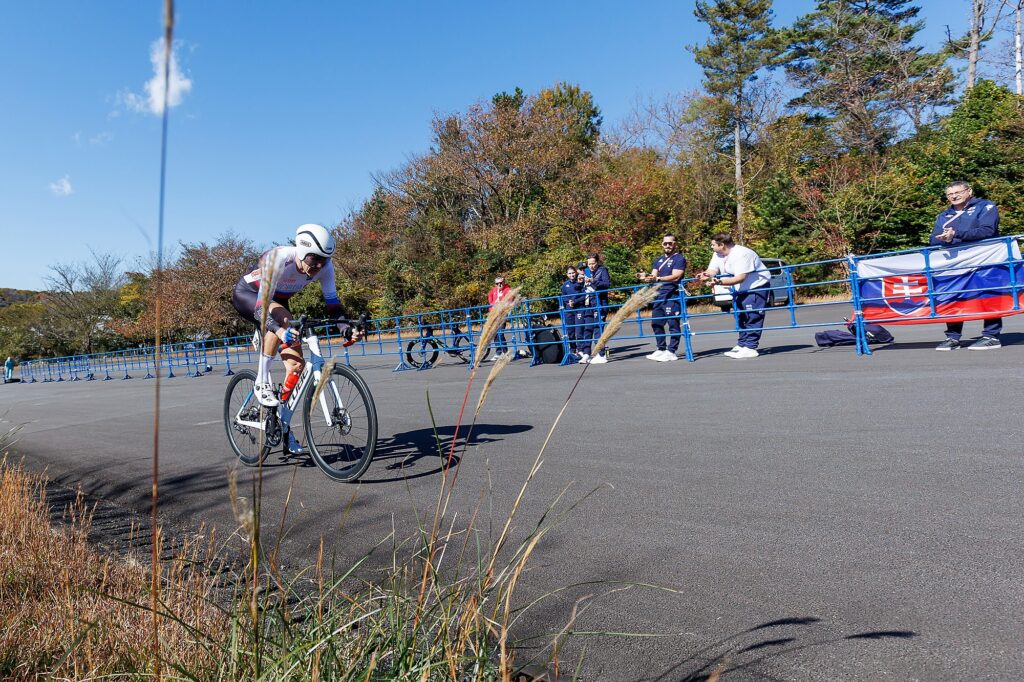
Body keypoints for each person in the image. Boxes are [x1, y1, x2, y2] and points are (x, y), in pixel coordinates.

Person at [232, 223, 357, 454]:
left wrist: (346, 328)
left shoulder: (325, 267)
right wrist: (279, 331)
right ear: (301, 251)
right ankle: (261, 380)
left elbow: (333, 304)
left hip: (278, 301)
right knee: (284, 321)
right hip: (250, 295)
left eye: (324, 261)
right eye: (313, 259)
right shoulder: (278, 258)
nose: (318, 266)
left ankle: (282, 427)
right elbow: (261, 309)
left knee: (297, 367)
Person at [930, 180, 1002, 351]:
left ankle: (991, 336)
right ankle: (953, 337)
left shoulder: (985, 206)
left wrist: (956, 235)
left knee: (987, 295)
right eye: (950, 194)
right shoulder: (944, 216)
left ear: (969, 191)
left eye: (958, 192)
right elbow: (933, 239)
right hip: (956, 263)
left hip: (984, 259)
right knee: (953, 297)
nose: (954, 196)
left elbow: (987, 231)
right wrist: (946, 239)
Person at [696, 233, 772, 359]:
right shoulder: (717, 254)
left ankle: (751, 347)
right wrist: (706, 274)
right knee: (740, 316)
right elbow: (713, 269)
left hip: (756, 287)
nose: (711, 247)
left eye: (713, 245)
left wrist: (720, 282)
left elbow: (741, 277)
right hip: (740, 289)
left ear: (722, 245)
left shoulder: (743, 254)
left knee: (752, 316)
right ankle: (742, 344)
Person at [637, 235, 686, 361]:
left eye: (670, 243)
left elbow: (676, 276)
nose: (667, 246)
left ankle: (672, 351)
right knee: (656, 323)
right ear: (662, 244)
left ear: (675, 244)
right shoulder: (658, 260)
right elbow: (653, 276)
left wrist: (658, 279)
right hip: (659, 295)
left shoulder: (679, 258)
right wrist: (646, 277)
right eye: (665, 243)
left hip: (672, 294)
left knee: (673, 323)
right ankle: (661, 348)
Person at [579, 253, 611, 364]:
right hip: (588, 303)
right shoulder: (587, 271)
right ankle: (586, 353)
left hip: (600, 303)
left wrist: (593, 281)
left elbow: (607, 284)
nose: (591, 266)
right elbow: (583, 288)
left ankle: (602, 354)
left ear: (597, 262)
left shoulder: (603, 270)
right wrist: (580, 282)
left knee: (598, 328)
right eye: (589, 264)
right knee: (587, 329)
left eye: (593, 263)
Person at [559, 265, 587, 362]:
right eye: (569, 273)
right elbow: (563, 296)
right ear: (567, 274)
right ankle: (572, 350)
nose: (572, 275)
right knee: (570, 331)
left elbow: (584, 295)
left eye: (573, 273)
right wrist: (569, 301)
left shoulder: (581, 282)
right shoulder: (565, 285)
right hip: (569, 310)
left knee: (579, 330)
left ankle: (580, 350)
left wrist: (575, 301)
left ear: (576, 272)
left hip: (579, 308)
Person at [487, 275, 513, 359]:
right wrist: (492, 304)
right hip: (494, 314)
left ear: (504, 282)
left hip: (502, 314)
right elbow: (489, 296)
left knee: (500, 333)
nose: (499, 285)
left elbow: (510, 300)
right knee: (494, 334)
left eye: (501, 283)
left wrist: (502, 304)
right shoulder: (494, 290)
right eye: (497, 283)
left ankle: (505, 352)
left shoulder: (507, 290)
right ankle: (498, 352)